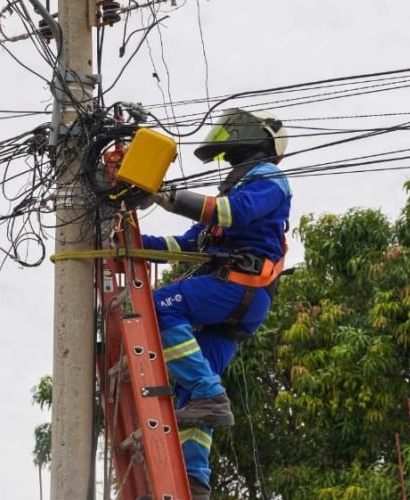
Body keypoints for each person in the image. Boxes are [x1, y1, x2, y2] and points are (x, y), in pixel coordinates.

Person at [141, 108, 291, 498]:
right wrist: (134, 243)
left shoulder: (270, 180)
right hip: (238, 302)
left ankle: (210, 394)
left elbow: (233, 213)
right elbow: (185, 245)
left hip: (240, 287)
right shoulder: (234, 192)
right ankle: (195, 483)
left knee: (156, 308)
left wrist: (168, 195)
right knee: (192, 394)